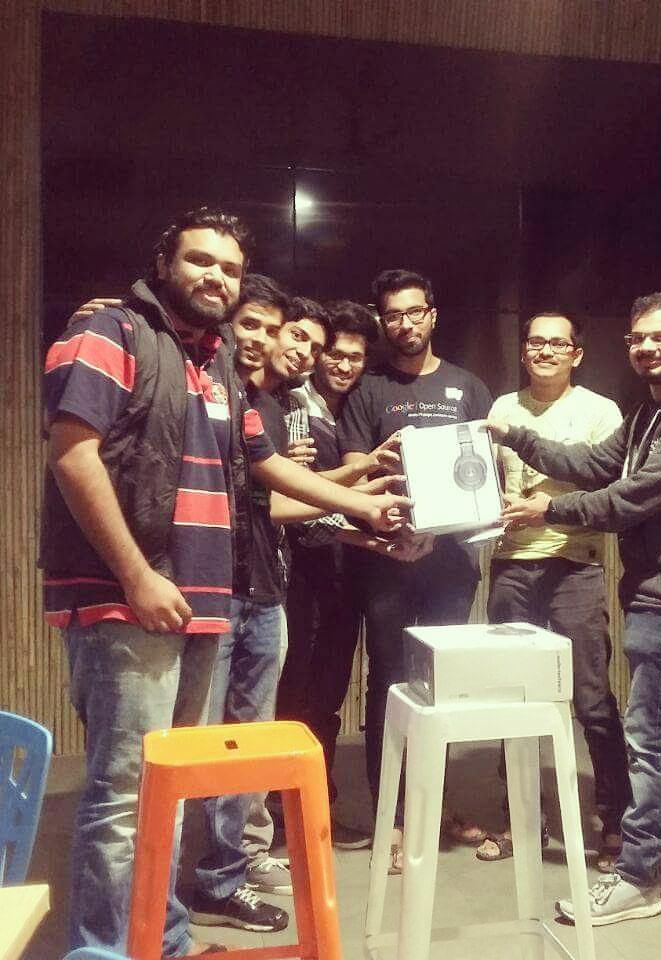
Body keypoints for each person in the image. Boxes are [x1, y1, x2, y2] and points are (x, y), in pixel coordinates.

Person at [41, 208, 409, 956]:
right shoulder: (111, 331)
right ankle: (104, 950)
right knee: (123, 797)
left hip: (202, 604)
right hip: (131, 601)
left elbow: (264, 466)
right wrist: (137, 575)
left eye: (231, 268)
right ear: (163, 263)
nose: (217, 276)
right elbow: (73, 455)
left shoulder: (215, 370)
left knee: (172, 790)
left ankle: (164, 939)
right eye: (201, 260)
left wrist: (363, 505)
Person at [488, 291, 661, 925]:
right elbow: (594, 462)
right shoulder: (649, 414)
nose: (647, 348)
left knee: (649, 742)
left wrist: (548, 509)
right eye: (638, 338)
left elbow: (630, 497)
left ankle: (638, 878)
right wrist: (517, 435)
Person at [337, 269, 492, 871]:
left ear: (433, 314)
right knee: (391, 682)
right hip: (388, 560)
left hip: (452, 562)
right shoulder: (368, 389)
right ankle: (395, 816)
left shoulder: (467, 387)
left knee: (441, 683)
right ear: (383, 320)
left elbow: (480, 476)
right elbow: (357, 472)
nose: (405, 323)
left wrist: (439, 528)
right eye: (393, 314)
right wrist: (402, 529)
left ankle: (436, 804)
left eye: (414, 311)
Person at [189, 275, 330, 930]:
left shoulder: (268, 404)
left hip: (266, 593)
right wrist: (357, 493)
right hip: (213, 594)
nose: (278, 343)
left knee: (249, 742)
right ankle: (211, 878)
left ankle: (230, 869)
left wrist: (356, 488)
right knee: (211, 745)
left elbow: (274, 495)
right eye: (260, 326)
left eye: (279, 330)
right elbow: (269, 499)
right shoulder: (210, 392)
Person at [477, 312, 630, 870]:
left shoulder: (601, 412)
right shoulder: (502, 408)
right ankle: (521, 820)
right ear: (524, 351)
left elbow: (605, 483)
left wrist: (548, 506)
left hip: (575, 566)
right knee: (512, 699)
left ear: (576, 354)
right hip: (511, 565)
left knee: (591, 698)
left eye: (557, 343)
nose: (544, 351)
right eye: (535, 342)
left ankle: (616, 819)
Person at [276, 298, 387, 849]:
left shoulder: (350, 410)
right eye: (333, 354)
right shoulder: (294, 405)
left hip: (344, 574)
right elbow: (302, 503)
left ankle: (315, 809)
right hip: (303, 574)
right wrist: (365, 511)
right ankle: (285, 816)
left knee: (327, 693)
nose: (342, 365)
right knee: (296, 693)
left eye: (354, 357)